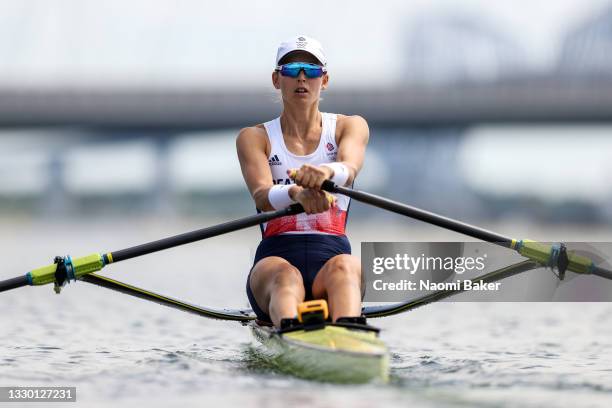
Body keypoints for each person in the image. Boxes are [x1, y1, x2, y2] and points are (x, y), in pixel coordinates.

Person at [236, 35, 369, 328]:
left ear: (325, 80)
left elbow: (350, 166)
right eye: (291, 69)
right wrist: (297, 193)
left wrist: (327, 174)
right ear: (276, 79)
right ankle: (292, 333)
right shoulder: (254, 137)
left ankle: (350, 332)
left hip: (333, 260)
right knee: (286, 278)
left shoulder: (349, 126)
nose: (301, 78)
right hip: (274, 262)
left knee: (349, 267)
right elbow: (261, 193)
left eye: (311, 71)